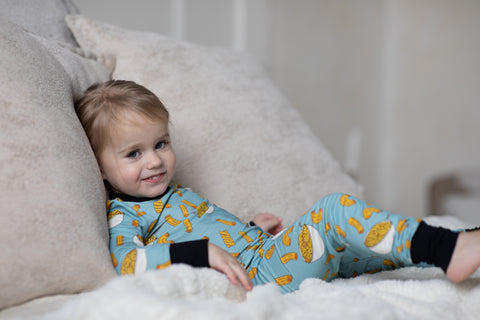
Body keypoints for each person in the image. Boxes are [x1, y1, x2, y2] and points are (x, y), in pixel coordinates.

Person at [75, 80, 480, 294]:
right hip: (265, 277)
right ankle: (450, 249)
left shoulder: (174, 195)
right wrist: (200, 252)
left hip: (266, 254)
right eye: (133, 154)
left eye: (161, 143)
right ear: (100, 168)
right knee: (335, 212)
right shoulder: (125, 214)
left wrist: (249, 228)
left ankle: (456, 244)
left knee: (368, 246)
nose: (155, 160)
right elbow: (126, 261)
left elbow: (211, 233)